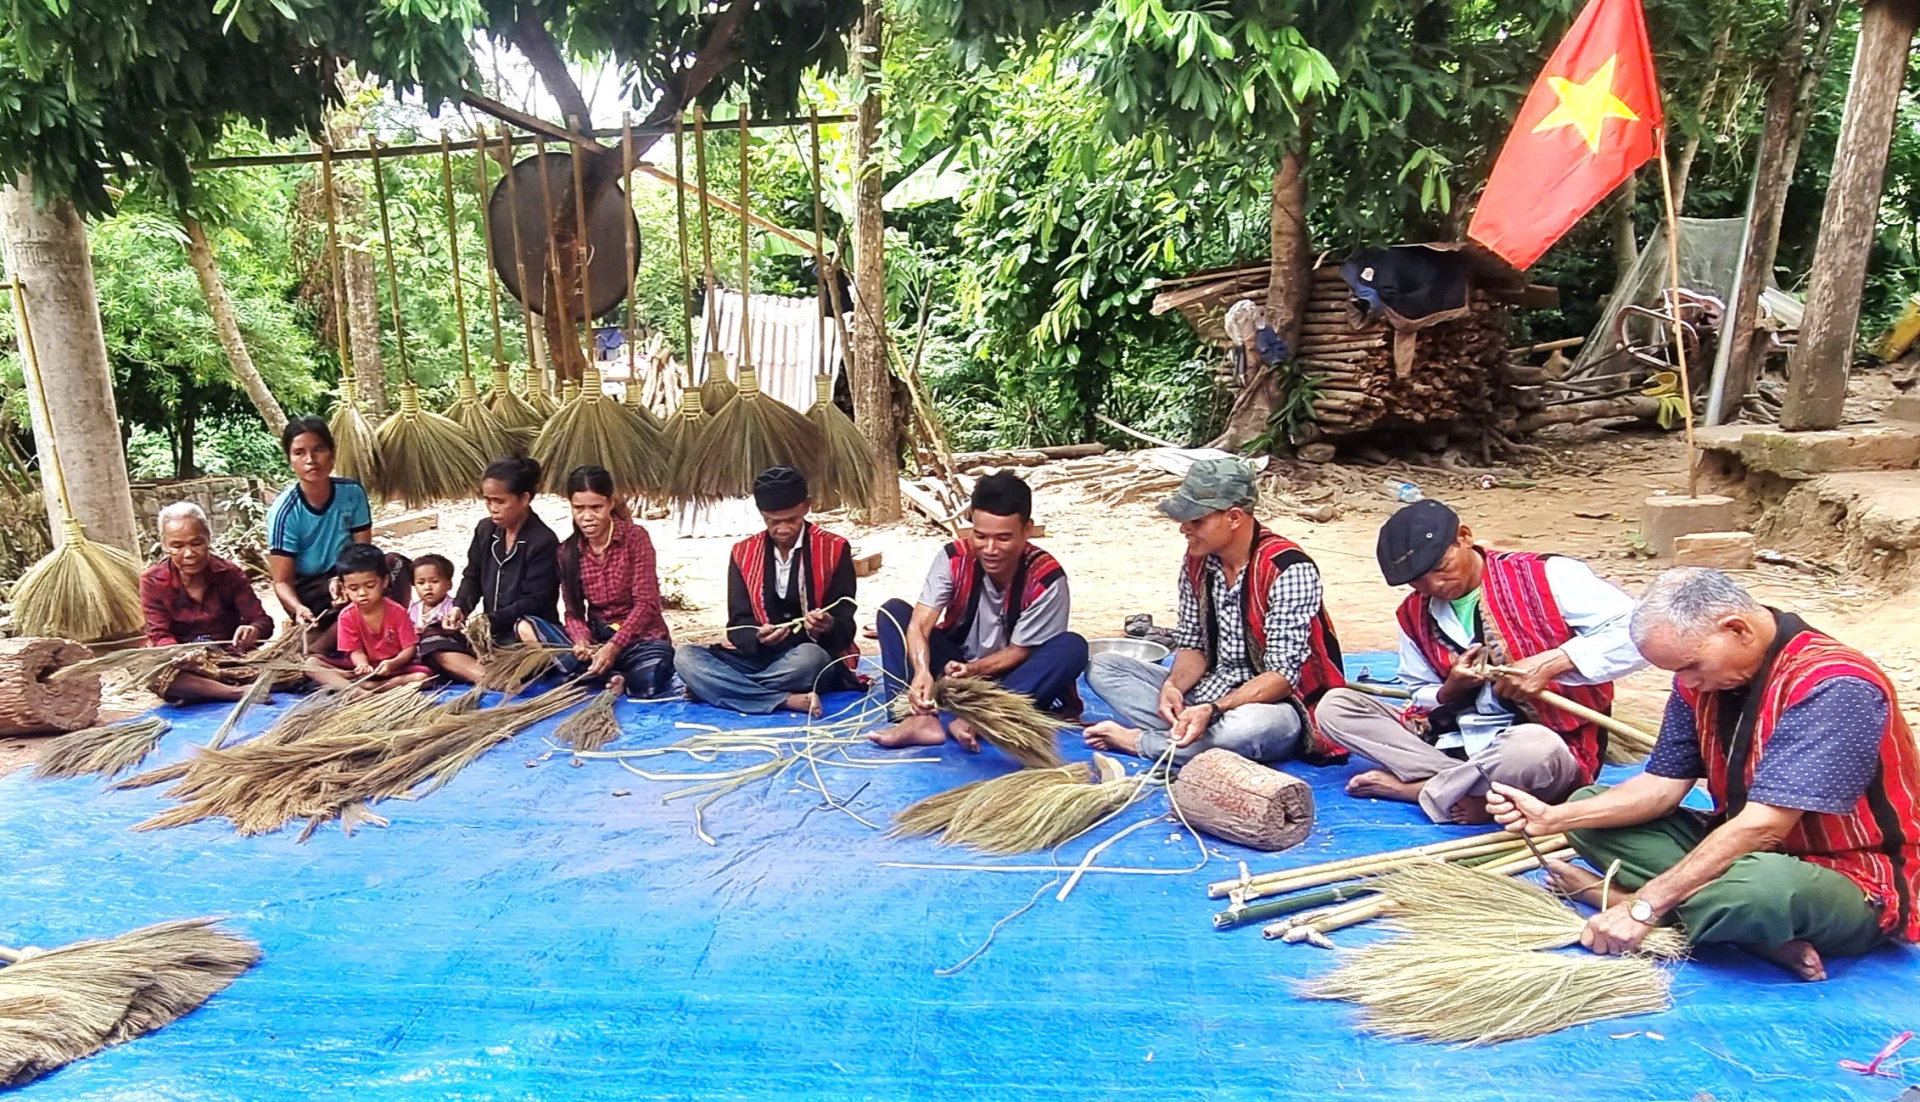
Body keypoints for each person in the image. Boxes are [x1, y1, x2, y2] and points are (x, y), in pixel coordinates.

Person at [1489, 568, 1920, 982]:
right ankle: (1747, 934)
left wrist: (1641, 906)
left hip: (1851, 874)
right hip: (1741, 848)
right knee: (1588, 808)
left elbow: (1765, 827)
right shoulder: (1702, 681)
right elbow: (1662, 787)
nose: (1688, 683)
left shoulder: (1835, 686)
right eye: (1677, 672)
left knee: (1758, 890)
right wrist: (1552, 819)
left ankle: (1678, 911)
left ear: (1737, 629)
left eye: (1692, 666)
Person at [1315, 499, 1644, 824]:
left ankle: (1422, 790)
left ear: (1464, 537)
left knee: (1533, 749)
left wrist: (1553, 662)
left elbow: (1638, 632)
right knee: (1335, 706)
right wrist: (1451, 689)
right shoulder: (1413, 613)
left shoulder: (1546, 576)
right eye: (1418, 582)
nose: (1435, 586)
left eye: (1441, 568)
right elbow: (1419, 693)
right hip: (1451, 743)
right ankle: (1466, 788)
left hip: (1544, 745)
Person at [1084, 457, 1349, 767]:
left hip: (1273, 705)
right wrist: (1173, 687)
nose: (1184, 529)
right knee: (1103, 668)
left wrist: (1215, 709)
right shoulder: (1198, 559)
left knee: (1249, 729)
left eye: (1196, 520)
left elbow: (1282, 677)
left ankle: (1146, 742)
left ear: (1234, 517)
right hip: (1209, 692)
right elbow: (1193, 645)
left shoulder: (1287, 569)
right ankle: (1195, 736)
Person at [870, 472, 1088, 752]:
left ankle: (981, 719)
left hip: (1012, 681)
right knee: (893, 613)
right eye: (980, 536)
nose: (990, 549)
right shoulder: (952, 558)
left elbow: (1020, 652)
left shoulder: (1047, 579)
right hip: (954, 669)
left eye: (1004, 538)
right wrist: (922, 671)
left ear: (1027, 530)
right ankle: (916, 717)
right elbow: (920, 625)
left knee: (1072, 647)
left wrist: (973, 670)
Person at [676, 466, 860, 716]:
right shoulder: (742, 552)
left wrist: (827, 626)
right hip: (758, 658)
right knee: (685, 657)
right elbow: (737, 623)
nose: (783, 529)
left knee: (811, 658)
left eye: (791, 520)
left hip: (806, 658)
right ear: (762, 514)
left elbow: (845, 619)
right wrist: (756, 637)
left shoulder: (834, 548)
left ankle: (719, 688)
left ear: (806, 507)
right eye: (773, 521)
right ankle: (784, 699)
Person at [266, 417, 409, 653]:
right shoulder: (285, 512)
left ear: (332, 454)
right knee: (348, 603)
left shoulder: (351, 492)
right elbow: (282, 582)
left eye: (319, 450)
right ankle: (319, 652)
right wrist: (298, 608)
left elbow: (364, 554)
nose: (311, 460)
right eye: (299, 453)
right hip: (311, 587)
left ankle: (394, 635)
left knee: (396, 566)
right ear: (290, 460)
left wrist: (344, 580)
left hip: (351, 572)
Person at [535, 465, 674, 698]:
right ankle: (611, 676)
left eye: (596, 507)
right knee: (533, 628)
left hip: (641, 641)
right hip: (599, 640)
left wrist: (615, 646)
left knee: (654, 671)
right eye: (579, 508)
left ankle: (609, 676)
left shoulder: (635, 538)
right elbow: (573, 612)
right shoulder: (568, 552)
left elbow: (647, 603)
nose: (587, 516)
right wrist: (582, 640)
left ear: (610, 503)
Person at [139, 501, 276, 704]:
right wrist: (182, 656)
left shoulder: (230, 573)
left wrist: (253, 630)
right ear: (165, 546)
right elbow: (160, 635)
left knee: (291, 671)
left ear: (208, 540)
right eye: (177, 546)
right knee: (151, 672)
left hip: (229, 658)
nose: (188, 553)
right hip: (182, 660)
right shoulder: (152, 580)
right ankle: (235, 692)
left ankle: (204, 690)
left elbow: (262, 621)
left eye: (196, 543)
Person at [445, 456, 562, 648]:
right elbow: (472, 575)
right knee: (432, 640)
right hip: (492, 631)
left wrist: (488, 621)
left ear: (524, 498)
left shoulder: (543, 541)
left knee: (526, 634)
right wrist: (460, 607)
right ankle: (483, 673)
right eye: (488, 501)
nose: (493, 508)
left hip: (525, 630)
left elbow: (534, 601)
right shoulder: (485, 530)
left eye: (500, 501)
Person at [304, 543, 433, 694]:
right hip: (359, 669)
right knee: (311, 664)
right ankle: (358, 691)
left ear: (384, 582)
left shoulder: (397, 611)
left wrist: (393, 663)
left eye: (370, 585)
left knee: (423, 677)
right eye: (354, 588)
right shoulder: (347, 616)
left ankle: (360, 686)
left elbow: (409, 648)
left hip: (395, 668)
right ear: (343, 588)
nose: (362, 593)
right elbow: (355, 651)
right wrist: (362, 665)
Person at [410, 554, 485, 685]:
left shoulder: (452, 607)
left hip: (446, 649)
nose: (427, 587)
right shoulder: (414, 609)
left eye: (434, 582)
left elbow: (457, 629)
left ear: (449, 584)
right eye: (421, 583)